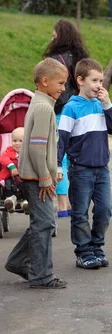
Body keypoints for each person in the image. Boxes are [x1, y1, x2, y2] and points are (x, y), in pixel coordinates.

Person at [5, 58, 69, 289]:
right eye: (60, 83)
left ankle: (17, 261)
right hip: (36, 177)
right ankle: (41, 276)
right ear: (45, 81)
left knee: (42, 223)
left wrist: (51, 172)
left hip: (37, 175)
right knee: (44, 225)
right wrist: (44, 176)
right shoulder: (43, 107)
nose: (63, 88)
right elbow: (36, 147)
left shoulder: (41, 103)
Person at [57, 59, 112, 269]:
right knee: (80, 212)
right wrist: (58, 166)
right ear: (80, 80)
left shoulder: (100, 105)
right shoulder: (70, 108)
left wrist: (108, 104)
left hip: (102, 169)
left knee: (104, 211)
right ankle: (83, 251)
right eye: (94, 80)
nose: (99, 85)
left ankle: (97, 246)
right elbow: (62, 140)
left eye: (101, 80)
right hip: (80, 170)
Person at [43, 19, 90, 217]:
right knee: (75, 155)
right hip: (80, 111)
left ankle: (63, 204)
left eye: (54, 35)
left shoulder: (54, 59)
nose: (51, 38)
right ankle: (75, 200)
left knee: (59, 155)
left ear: (59, 36)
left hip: (61, 110)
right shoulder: (82, 57)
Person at [0, 127, 28, 214]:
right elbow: (3, 158)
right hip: (10, 179)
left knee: (28, 187)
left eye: (20, 141)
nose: (17, 143)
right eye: (14, 141)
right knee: (8, 186)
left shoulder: (27, 152)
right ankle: (10, 202)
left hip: (24, 179)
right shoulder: (9, 150)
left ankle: (26, 203)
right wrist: (11, 166)